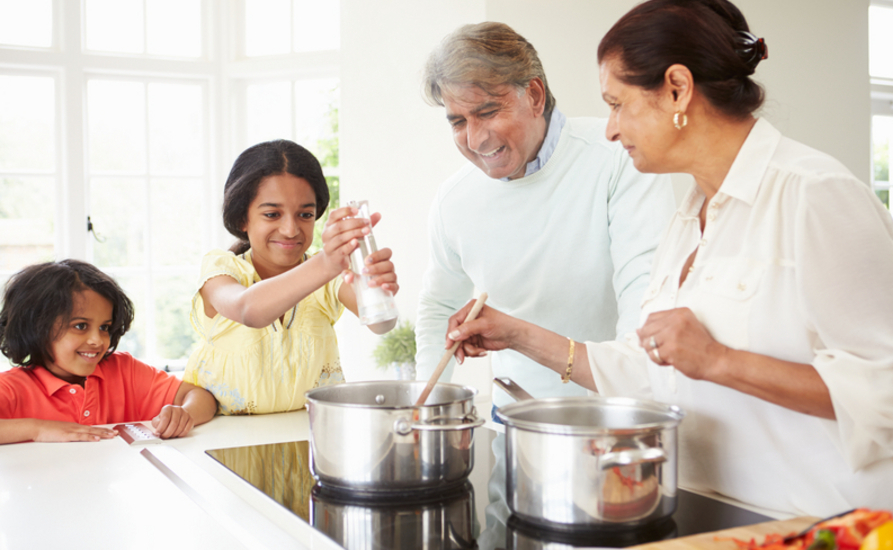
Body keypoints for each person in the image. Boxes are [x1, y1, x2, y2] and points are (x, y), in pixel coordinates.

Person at [445, 0, 893, 517]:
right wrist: (517, 335)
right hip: (706, 519)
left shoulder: (814, 193)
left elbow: (887, 390)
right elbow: (650, 373)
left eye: (618, 105)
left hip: (812, 526)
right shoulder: (690, 216)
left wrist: (720, 360)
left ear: (678, 89)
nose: (611, 130)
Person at [416, 22, 674, 407]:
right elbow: (438, 307)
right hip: (517, 427)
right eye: (457, 121)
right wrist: (426, 409)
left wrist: (626, 412)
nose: (474, 139)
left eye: (487, 111)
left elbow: (644, 320)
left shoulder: (619, 161)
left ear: (534, 95)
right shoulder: (455, 199)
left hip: (614, 420)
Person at [182, 140, 398, 415]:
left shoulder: (331, 275)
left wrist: (377, 287)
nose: (290, 229)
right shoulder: (221, 269)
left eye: (305, 214)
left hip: (308, 435)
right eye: (272, 214)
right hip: (226, 436)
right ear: (242, 219)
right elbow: (249, 310)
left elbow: (382, 324)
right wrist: (327, 263)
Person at [0, 259, 217, 444]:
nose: (97, 340)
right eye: (80, 326)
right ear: (37, 327)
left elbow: (201, 397)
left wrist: (184, 414)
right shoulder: (12, 388)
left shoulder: (124, 372)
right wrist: (37, 429)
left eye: (104, 327)